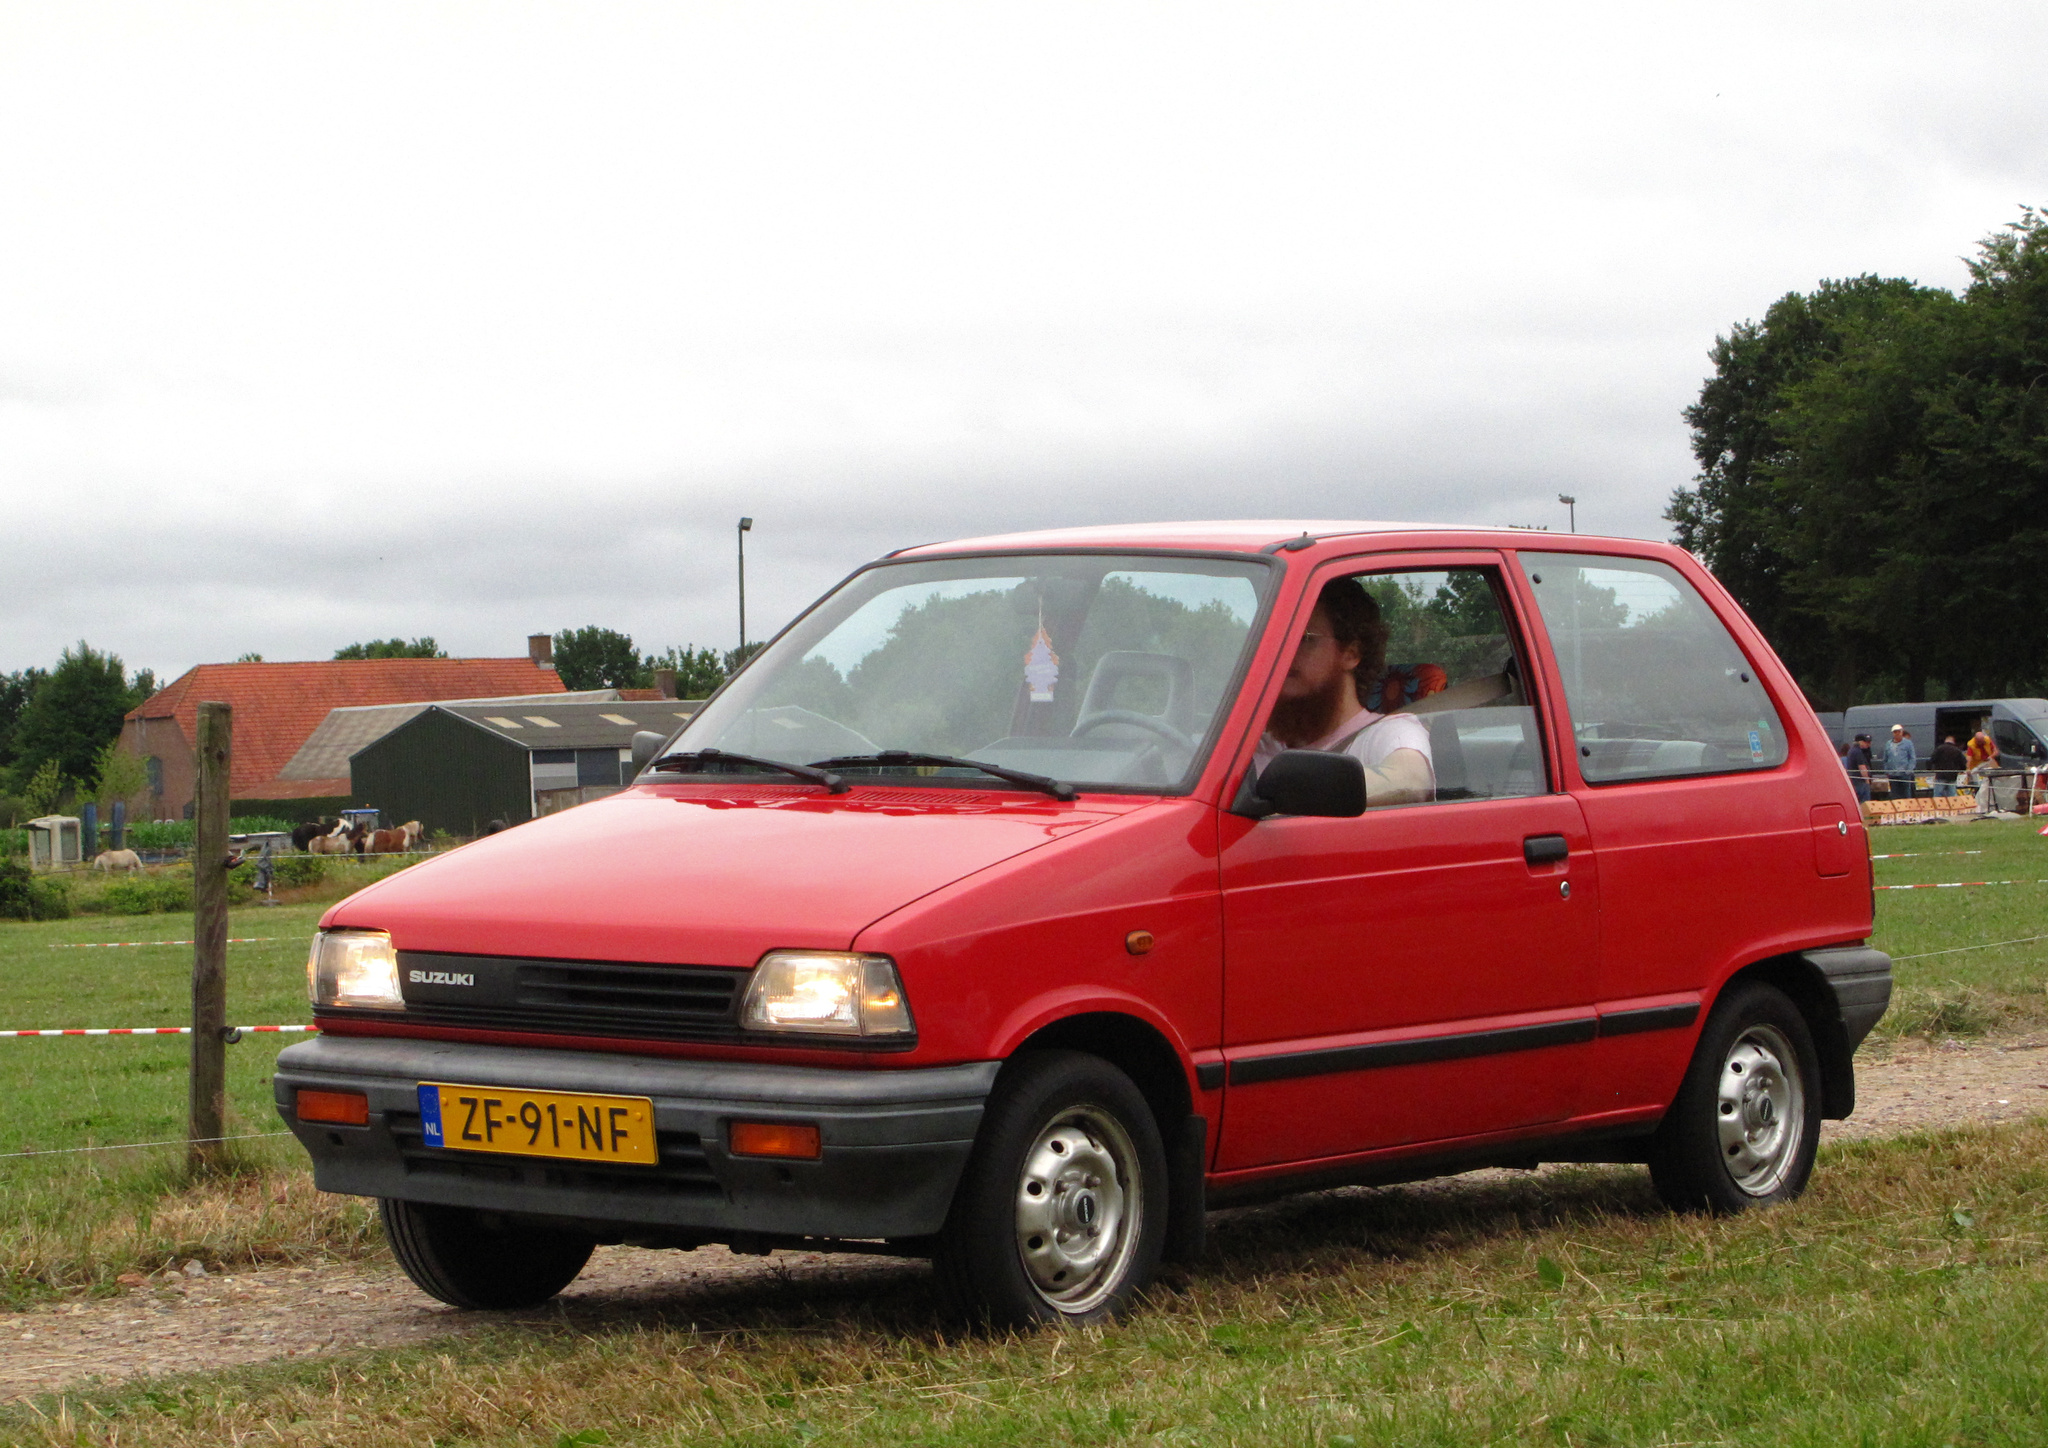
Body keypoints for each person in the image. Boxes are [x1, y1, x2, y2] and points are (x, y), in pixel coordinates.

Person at [1255, 578, 1434, 807]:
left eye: (1303, 638)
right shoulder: (1254, 747)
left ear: (1351, 654)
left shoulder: (1388, 733)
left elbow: (1412, 781)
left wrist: (1290, 790)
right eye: (1277, 639)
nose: (1284, 652)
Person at [1883, 724, 1917, 799]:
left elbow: (1912, 758)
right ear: (1892, 733)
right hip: (1892, 774)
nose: (1897, 734)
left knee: (1906, 795)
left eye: (1899, 732)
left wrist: (1908, 770)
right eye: (1895, 732)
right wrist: (1887, 771)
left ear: (1902, 732)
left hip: (1904, 774)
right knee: (1895, 795)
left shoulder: (1908, 743)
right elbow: (1885, 758)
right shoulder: (1888, 744)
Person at [1844, 732, 1875, 804]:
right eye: (1866, 742)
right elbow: (1862, 768)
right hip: (1860, 782)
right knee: (1865, 804)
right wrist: (1867, 781)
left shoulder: (1851, 751)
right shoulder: (1858, 752)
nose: (1868, 744)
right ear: (1860, 742)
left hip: (1854, 781)